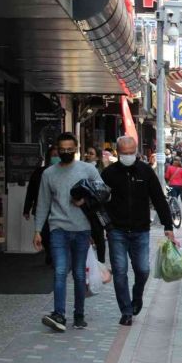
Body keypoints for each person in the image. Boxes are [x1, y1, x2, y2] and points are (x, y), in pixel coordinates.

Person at [102, 136, 176, 326]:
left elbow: (158, 198)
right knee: (120, 271)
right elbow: (99, 201)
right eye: (124, 153)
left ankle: (137, 296)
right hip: (116, 230)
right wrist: (105, 225)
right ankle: (126, 311)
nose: (128, 156)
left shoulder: (145, 171)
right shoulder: (109, 173)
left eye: (131, 153)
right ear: (118, 153)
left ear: (136, 152)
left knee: (143, 270)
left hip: (140, 230)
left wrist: (168, 226)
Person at [34, 132, 104, 332]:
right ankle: (59, 315)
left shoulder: (88, 169)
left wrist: (85, 201)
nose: (65, 152)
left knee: (80, 275)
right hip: (58, 229)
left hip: (82, 229)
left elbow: (104, 193)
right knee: (60, 272)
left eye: (69, 149)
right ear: (57, 149)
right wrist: (38, 230)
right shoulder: (48, 174)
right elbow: (43, 203)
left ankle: (79, 315)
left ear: (76, 149)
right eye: (62, 149)